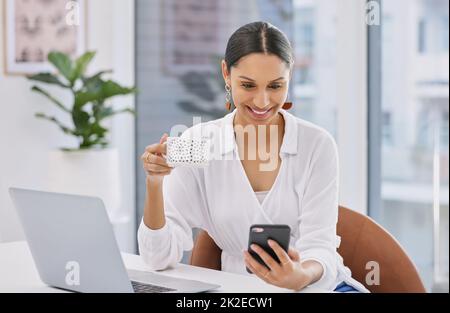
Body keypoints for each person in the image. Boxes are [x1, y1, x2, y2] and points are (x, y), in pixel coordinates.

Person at [138, 21, 368, 292]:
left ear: (289, 77)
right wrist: (155, 183)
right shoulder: (198, 144)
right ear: (226, 73)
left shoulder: (316, 145)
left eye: (275, 86)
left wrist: (299, 275)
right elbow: (157, 257)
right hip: (242, 290)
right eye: (248, 85)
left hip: (318, 286)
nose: (262, 101)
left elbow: (320, 248)